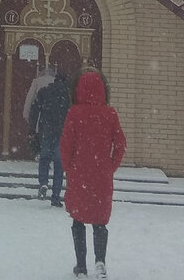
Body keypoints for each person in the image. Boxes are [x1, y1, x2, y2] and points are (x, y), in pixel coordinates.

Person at [59, 69, 125, 278]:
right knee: (100, 221)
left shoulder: (74, 113)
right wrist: (111, 165)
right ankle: (100, 262)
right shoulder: (110, 114)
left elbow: (65, 145)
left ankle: (81, 266)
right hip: (101, 175)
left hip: (79, 173)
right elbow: (121, 143)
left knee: (78, 219)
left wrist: (68, 167)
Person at [28, 66, 71, 205]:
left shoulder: (44, 91)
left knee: (44, 157)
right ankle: (56, 196)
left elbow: (34, 111)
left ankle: (43, 182)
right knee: (59, 164)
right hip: (62, 132)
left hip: (46, 130)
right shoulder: (68, 95)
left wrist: (32, 130)